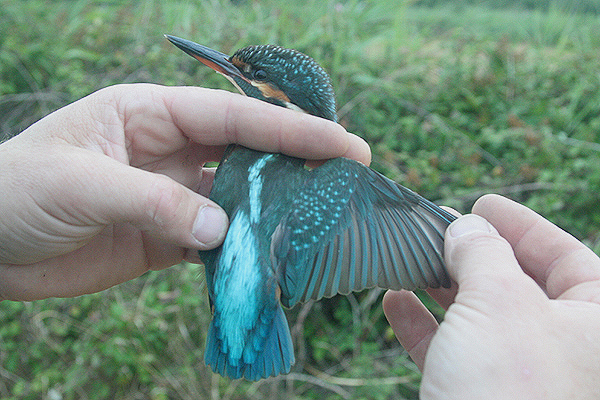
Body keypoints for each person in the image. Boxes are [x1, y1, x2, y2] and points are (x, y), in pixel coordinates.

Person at [1, 83, 599, 397]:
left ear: (284, 112)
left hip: (236, 297)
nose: (238, 88)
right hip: (256, 301)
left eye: (255, 89)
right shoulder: (333, 182)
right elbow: (400, 223)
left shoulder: (232, 167)